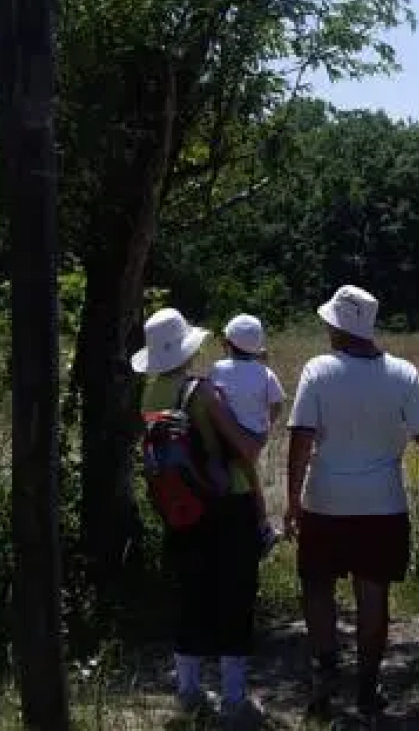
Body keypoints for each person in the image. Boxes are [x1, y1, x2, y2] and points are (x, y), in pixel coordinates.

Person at [284, 285, 419, 718]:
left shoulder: (318, 370)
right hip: (383, 502)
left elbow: (301, 437)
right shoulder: (403, 373)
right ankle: (368, 688)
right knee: (373, 593)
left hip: (326, 499)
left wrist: (293, 500)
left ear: (336, 325)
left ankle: (324, 676)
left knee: (317, 587)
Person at [134, 307, 266, 718]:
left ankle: (189, 691)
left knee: (191, 595)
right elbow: (244, 449)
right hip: (226, 505)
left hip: (181, 508)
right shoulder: (202, 392)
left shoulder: (150, 393)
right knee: (235, 596)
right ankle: (233, 698)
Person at [209, 313, 286, 555]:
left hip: (225, 433)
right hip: (255, 435)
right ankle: (263, 528)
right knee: (252, 478)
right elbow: (278, 402)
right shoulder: (265, 373)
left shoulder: (218, 368)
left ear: (228, 344)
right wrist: (267, 423)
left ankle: (252, 528)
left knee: (239, 478)